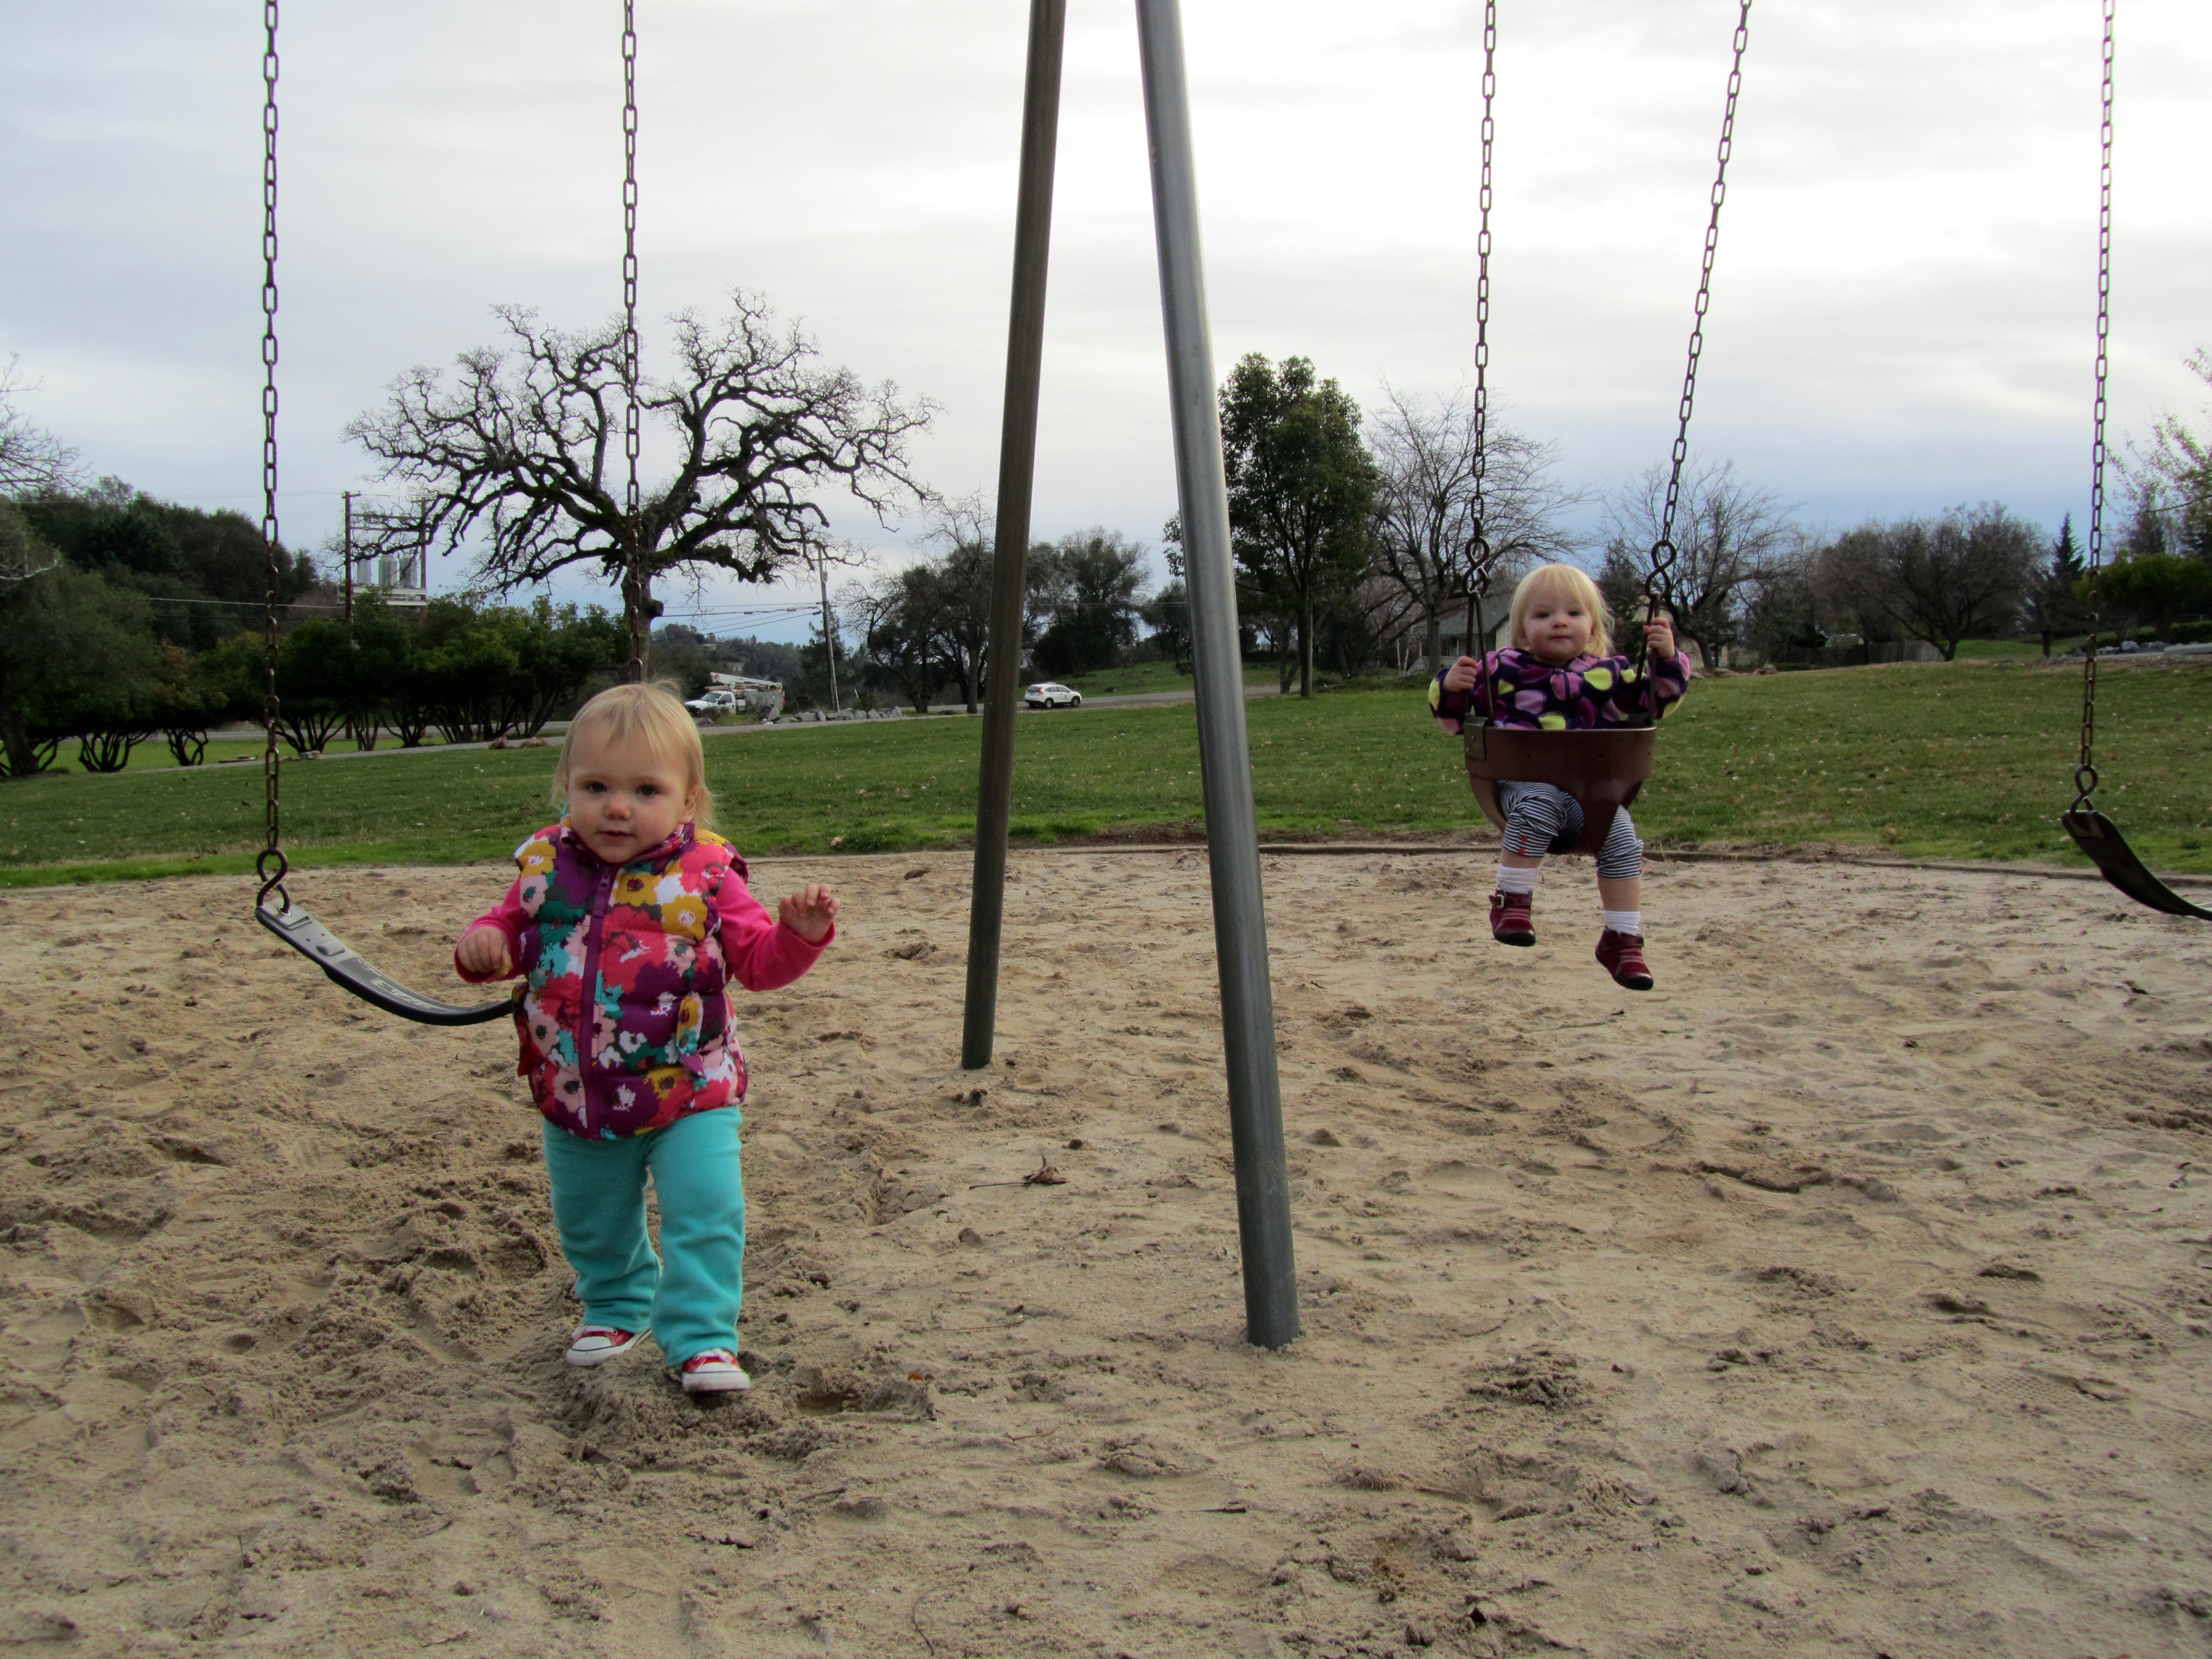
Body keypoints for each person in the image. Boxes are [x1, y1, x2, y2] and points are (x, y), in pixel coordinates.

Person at [454, 682, 837, 1393]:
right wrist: (486, 944)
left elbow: (759, 965)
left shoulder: (709, 876)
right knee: (591, 1218)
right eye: (596, 787)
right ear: (566, 786)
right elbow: (512, 932)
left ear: (688, 803)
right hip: (578, 1088)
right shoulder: (546, 866)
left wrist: (799, 937)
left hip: (690, 1087)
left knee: (705, 1211)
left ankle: (702, 1337)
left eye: (646, 790)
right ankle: (617, 1304)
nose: (617, 808)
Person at [1430, 563, 1690, 990]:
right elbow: (1453, 721)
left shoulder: (1612, 677)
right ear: (1520, 630)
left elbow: (1659, 702)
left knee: (1623, 837)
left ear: (1593, 628)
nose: (1559, 621)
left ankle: (1622, 939)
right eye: (1543, 614)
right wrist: (1452, 685)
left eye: (1573, 612)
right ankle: (1511, 901)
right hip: (1520, 788)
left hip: (1590, 798)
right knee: (1541, 803)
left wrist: (1666, 659)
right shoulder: (1500, 671)